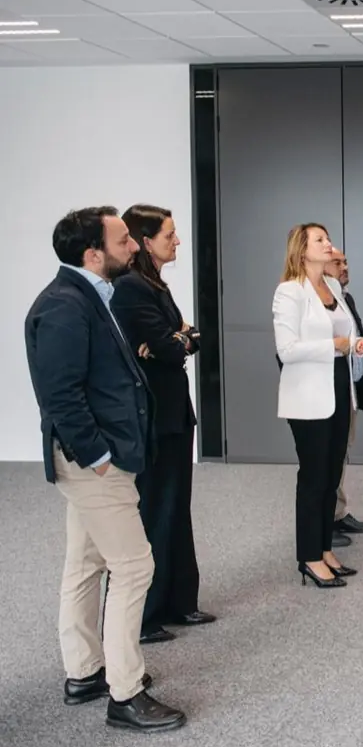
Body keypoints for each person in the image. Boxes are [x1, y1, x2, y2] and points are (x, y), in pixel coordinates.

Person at [25, 206, 186, 731]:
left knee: (86, 561)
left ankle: (84, 672)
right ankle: (126, 692)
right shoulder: (65, 307)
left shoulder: (91, 295)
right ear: (93, 254)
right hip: (95, 462)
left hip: (102, 455)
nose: (134, 246)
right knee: (135, 565)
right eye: (123, 241)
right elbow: (61, 397)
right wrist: (97, 457)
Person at [111, 204, 214, 646]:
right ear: (145, 240)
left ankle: (179, 601)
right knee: (156, 509)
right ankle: (148, 614)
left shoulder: (155, 283)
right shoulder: (131, 287)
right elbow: (171, 347)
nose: (177, 241)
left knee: (176, 506)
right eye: (169, 235)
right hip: (154, 414)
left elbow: (189, 338)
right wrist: (177, 340)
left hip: (174, 410)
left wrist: (179, 339)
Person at [273, 223, 363, 588]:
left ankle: (325, 549)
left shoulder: (331, 285)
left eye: (327, 238)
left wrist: (355, 344)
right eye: (320, 240)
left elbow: (344, 331)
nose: (328, 244)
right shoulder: (289, 291)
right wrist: (334, 345)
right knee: (314, 479)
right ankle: (309, 557)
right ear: (302, 250)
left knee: (332, 477)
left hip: (339, 389)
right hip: (308, 398)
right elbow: (286, 350)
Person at [324, 247, 363, 541]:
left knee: (342, 452)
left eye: (345, 262)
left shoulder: (346, 298)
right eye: (337, 262)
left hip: (350, 388)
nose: (344, 267)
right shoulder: (318, 301)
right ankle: (325, 524)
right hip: (330, 389)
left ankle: (337, 513)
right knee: (328, 456)